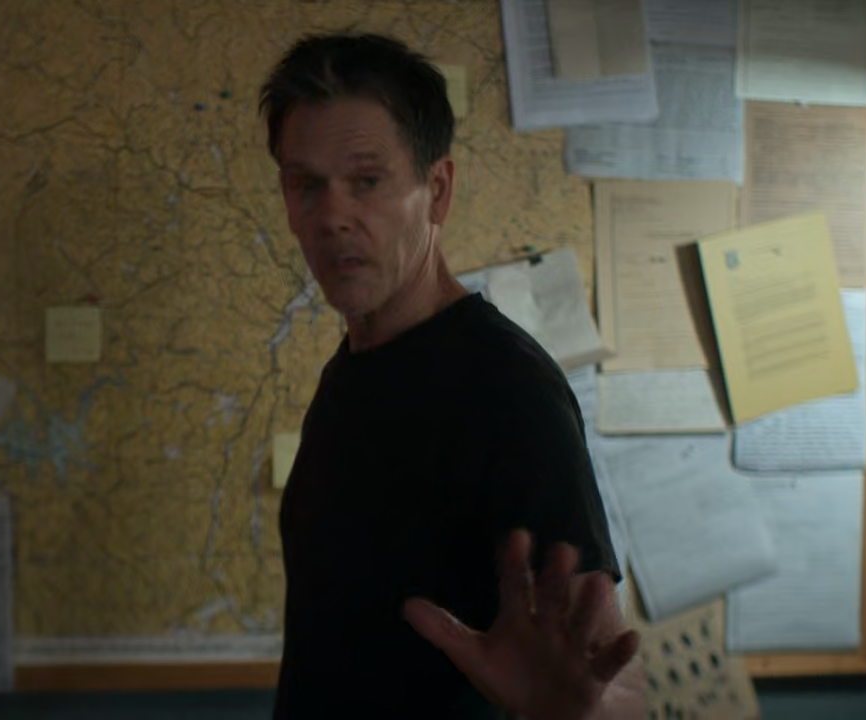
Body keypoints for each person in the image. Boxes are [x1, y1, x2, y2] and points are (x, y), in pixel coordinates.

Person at [260, 32, 646, 720]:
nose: (332, 216)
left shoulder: (507, 390)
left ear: (436, 191)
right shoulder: (353, 371)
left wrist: (569, 715)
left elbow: (615, 688)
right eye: (306, 184)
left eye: (367, 181)